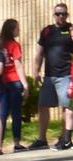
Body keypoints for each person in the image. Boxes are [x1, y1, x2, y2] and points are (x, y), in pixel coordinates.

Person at [31, 3, 73, 150]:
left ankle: (64, 138)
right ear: (54, 15)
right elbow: (39, 53)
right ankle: (42, 139)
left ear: (67, 15)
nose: (60, 16)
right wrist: (36, 71)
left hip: (66, 75)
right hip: (49, 76)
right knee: (42, 105)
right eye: (57, 13)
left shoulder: (71, 30)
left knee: (66, 106)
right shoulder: (47, 31)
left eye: (63, 14)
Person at [0, 20, 29, 152]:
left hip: (2, 83)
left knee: (2, 114)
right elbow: (18, 66)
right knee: (16, 113)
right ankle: (17, 143)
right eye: (17, 28)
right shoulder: (14, 45)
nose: (19, 30)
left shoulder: (0, 45)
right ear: (11, 30)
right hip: (14, 82)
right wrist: (25, 84)